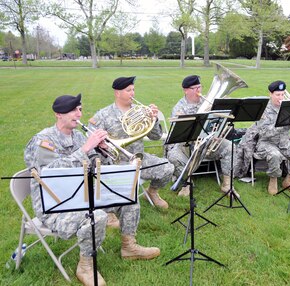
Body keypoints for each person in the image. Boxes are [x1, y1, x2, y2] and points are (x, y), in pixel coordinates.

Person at [24, 94, 161, 286]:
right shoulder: (42, 140)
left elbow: (97, 166)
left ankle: (129, 246)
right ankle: (86, 266)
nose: (78, 114)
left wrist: (103, 150)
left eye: (79, 109)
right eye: (73, 110)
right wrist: (85, 148)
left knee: (129, 196)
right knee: (96, 217)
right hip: (54, 204)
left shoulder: (79, 136)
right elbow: (49, 171)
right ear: (58, 114)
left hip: (83, 194)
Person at [89, 76, 174, 209]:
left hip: (139, 158)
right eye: (129, 90)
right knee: (112, 186)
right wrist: (102, 144)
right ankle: (109, 211)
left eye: (133, 90)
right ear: (117, 93)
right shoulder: (103, 115)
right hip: (116, 163)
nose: (133, 93)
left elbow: (156, 137)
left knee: (168, 168)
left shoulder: (141, 111)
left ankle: (152, 192)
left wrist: (154, 119)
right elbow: (91, 139)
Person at [167, 75, 236, 197]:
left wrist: (216, 132)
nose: (199, 91)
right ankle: (186, 183)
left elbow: (218, 122)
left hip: (207, 141)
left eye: (200, 87)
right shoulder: (179, 108)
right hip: (186, 145)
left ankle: (227, 184)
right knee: (173, 156)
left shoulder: (208, 103)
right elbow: (180, 134)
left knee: (230, 147)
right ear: (186, 90)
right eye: (195, 88)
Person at [255, 80, 290, 195]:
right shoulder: (264, 110)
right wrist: (282, 124)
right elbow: (264, 133)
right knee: (275, 155)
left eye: (283, 94)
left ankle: (289, 180)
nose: (281, 97)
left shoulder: (287, 107)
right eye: (277, 95)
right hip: (266, 143)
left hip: (284, 143)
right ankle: (273, 180)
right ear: (270, 94)